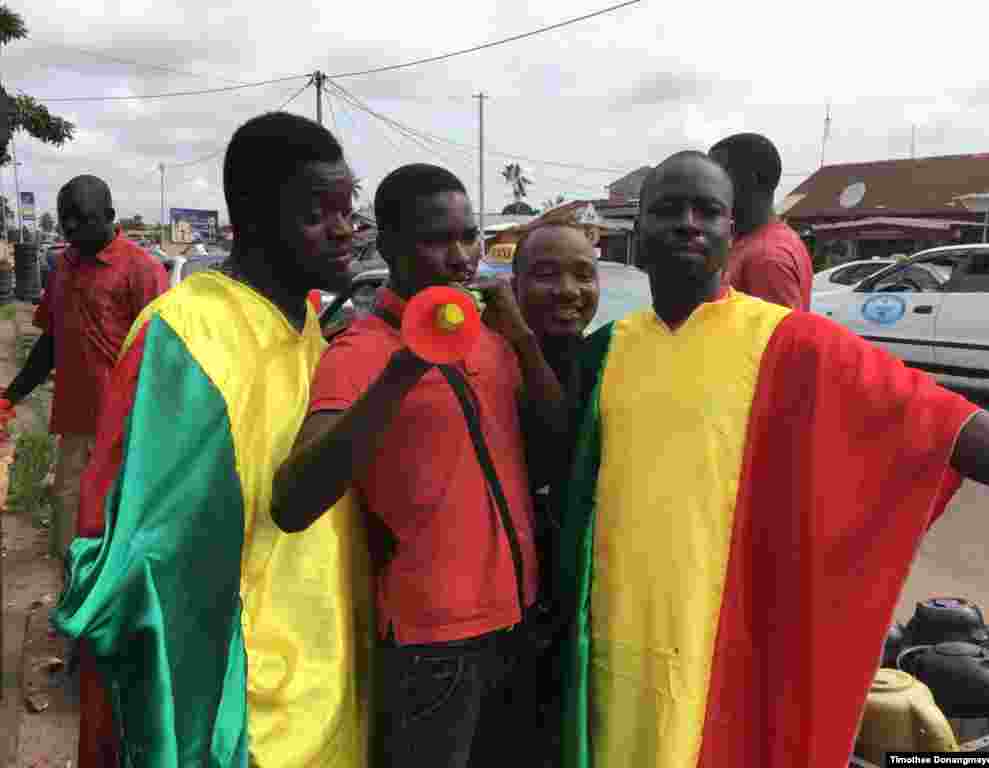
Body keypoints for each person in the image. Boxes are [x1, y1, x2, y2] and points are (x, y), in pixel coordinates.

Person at [557, 149, 989, 768]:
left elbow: (942, 423)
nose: (689, 223)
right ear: (637, 234)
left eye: (708, 211)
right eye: (668, 210)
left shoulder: (793, 342)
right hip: (616, 636)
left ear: (732, 231)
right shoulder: (605, 353)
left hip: (727, 639)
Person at [51, 112, 371, 768]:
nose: (347, 231)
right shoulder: (187, 336)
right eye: (319, 212)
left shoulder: (305, 321)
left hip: (323, 693)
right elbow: (145, 572)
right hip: (242, 725)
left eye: (349, 210)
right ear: (251, 218)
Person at [271, 163, 566, 768]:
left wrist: (523, 341)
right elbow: (292, 501)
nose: (459, 256)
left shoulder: (489, 339)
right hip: (432, 644)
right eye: (437, 239)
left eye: (469, 236)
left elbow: (559, 444)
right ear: (390, 245)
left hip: (518, 618)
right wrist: (402, 372)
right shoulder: (359, 353)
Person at [2, 175, 168, 563]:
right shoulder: (63, 267)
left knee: (123, 530)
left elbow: (165, 352)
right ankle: (72, 605)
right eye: (65, 220)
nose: (72, 228)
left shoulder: (141, 270)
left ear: (110, 216)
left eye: (82, 218)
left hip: (129, 427)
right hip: (77, 426)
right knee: (70, 524)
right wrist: (11, 396)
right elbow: (51, 343)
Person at [510, 222, 600, 766]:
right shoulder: (488, 361)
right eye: (545, 274)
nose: (568, 290)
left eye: (583, 274)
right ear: (514, 284)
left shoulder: (606, 360)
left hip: (579, 606)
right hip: (503, 616)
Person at [709, 133, 813, 310]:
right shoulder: (756, 241)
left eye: (717, 176)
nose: (708, 185)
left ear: (750, 179)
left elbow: (779, 336)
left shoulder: (767, 258)